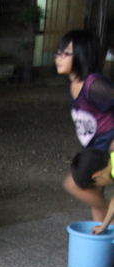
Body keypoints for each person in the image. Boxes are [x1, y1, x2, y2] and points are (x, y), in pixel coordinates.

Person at [55, 29, 114, 222]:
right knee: (93, 195)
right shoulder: (73, 85)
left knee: (74, 184)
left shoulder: (93, 84)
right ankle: (103, 245)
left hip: (107, 148)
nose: (59, 57)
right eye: (58, 52)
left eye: (66, 53)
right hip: (94, 147)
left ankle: (109, 218)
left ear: (82, 55)